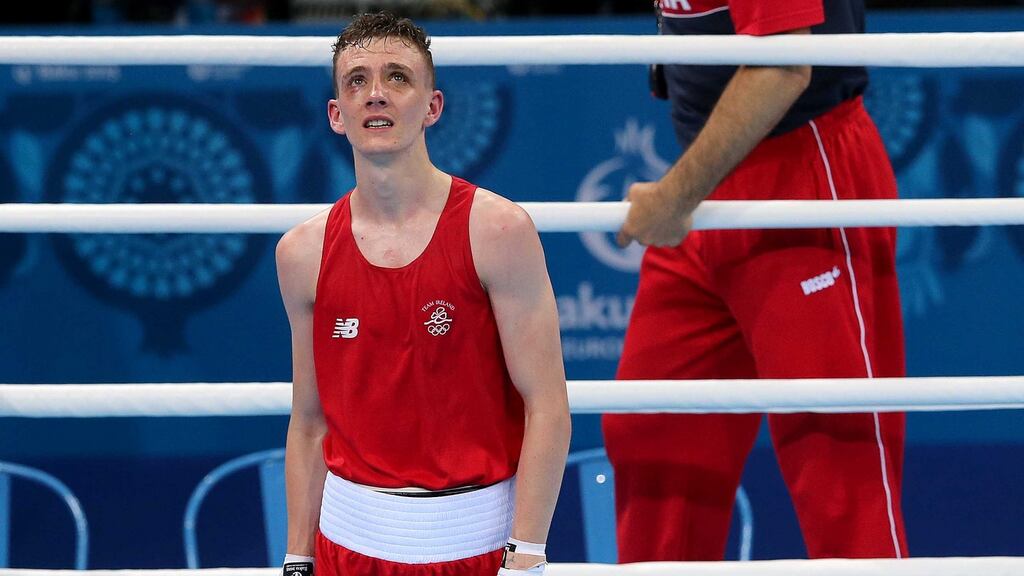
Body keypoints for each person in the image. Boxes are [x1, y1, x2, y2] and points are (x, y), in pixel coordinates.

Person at [603, 0, 908, 562]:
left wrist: (673, 198)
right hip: (708, 176)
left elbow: (782, 64)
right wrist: (684, 194)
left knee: (835, 459)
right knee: (654, 435)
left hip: (801, 171)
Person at [275, 12, 570, 576]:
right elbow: (310, 421)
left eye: (398, 78)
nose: (376, 94)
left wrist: (526, 553)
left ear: (432, 106)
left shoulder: (498, 231)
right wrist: (297, 557)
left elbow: (547, 404)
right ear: (337, 115)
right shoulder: (302, 254)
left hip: (479, 546)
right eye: (356, 81)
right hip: (346, 548)